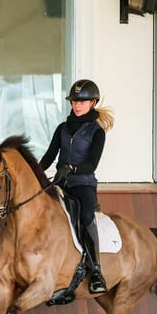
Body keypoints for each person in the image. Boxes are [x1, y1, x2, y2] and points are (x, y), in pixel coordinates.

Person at [40, 79, 113, 294]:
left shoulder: (96, 132)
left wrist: (71, 168)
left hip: (83, 185)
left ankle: (96, 270)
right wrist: (34, 172)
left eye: (82, 101)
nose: (77, 105)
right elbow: (49, 155)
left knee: (86, 217)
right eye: (74, 101)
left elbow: (92, 164)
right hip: (61, 183)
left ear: (93, 102)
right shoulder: (62, 128)